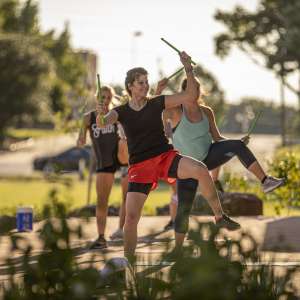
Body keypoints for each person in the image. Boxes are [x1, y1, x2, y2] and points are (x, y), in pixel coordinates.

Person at [96, 51, 241, 261]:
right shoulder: (121, 111)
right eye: (140, 83)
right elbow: (103, 122)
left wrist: (188, 69)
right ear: (129, 86)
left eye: (146, 82)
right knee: (131, 219)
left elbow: (190, 96)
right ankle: (129, 264)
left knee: (200, 169)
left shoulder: (157, 102)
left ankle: (219, 216)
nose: (145, 86)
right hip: (140, 167)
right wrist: (100, 112)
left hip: (165, 157)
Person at [157, 76, 286, 248]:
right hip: (186, 166)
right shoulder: (175, 111)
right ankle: (178, 250)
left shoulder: (207, 111)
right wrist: (158, 90)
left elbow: (217, 138)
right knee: (184, 208)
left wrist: (234, 144)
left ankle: (266, 181)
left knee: (238, 145)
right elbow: (152, 109)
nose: (195, 91)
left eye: (197, 87)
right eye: (191, 88)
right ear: (184, 92)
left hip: (208, 156)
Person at [77, 85, 128, 249]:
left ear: (112, 99)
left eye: (108, 97)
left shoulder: (116, 115)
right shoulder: (88, 118)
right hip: (104, 162)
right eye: (102, 97)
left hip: (122, 159)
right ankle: (101, 237)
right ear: (96, 98)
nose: (105, 101)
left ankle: (122, 230)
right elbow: (80, 140)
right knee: (101, 201)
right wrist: (81, 140)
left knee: (128, 197)